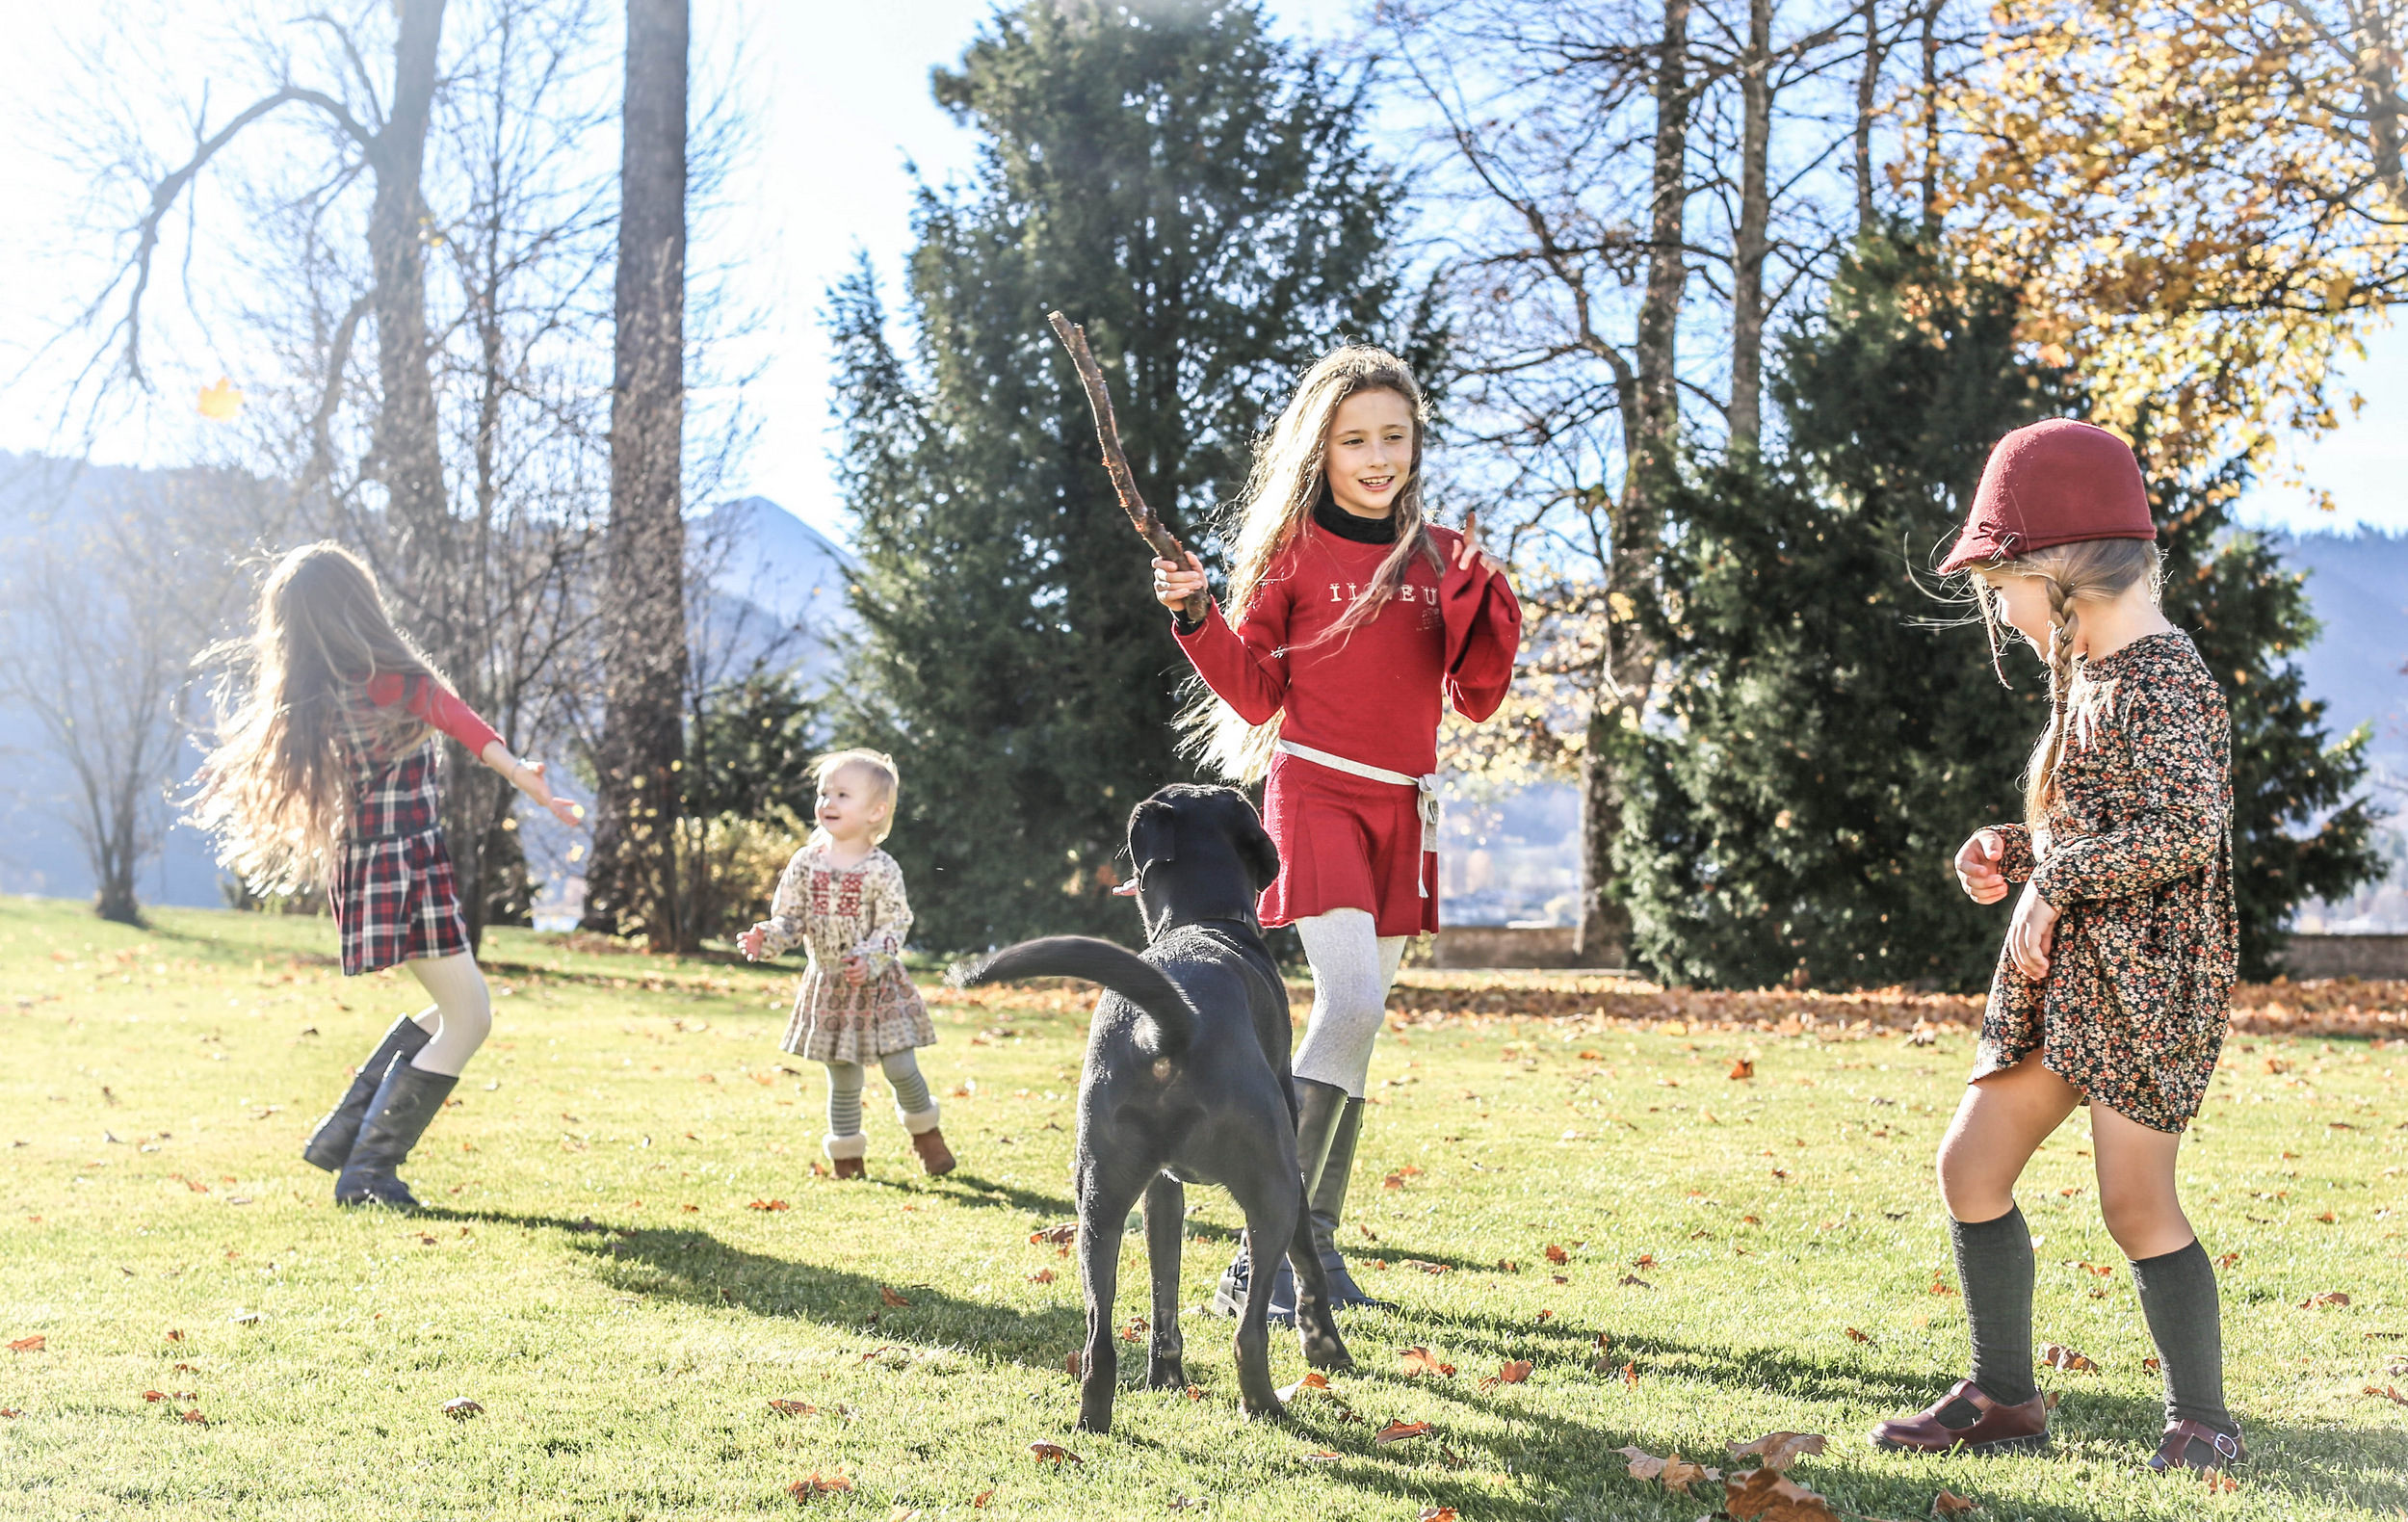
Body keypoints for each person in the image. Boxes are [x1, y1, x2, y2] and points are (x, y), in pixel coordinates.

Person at [1870, 419, 2243, 1475]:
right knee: (1970, 1165)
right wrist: (2015, 847)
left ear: (2059, 572)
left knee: (2135, 1201)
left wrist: (2058, 875)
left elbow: (2181, 832)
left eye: (2002, 585)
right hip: (2062, 977)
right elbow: (2104, 823)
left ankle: (2203, 1418)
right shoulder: (2087, 676)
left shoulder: (2165, 674)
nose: (1998, 606)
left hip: (2144, 984)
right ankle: (2003, 1393)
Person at [1153, 345, 1521, 1321]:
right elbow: (1259, 691)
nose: (1376, 455)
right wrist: (1195, 614)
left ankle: (1309, 1250)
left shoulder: (1442, 555)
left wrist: (1487, 596)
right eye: (1354, 438)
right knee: (1348, 1000)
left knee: (1358, 1034)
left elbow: (1478, 694)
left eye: (1393, 436)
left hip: (1406, 804)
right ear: (1319, 448)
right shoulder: (1287, 554)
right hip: (1313, 792)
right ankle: (1258, 1252)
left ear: (1415, 442)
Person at [189, 543, 584, 1208]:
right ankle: (368, 1170)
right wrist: (527, 780)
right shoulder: (392, 681)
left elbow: (454, 723)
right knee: (470, 1018)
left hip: (373, 867)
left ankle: (347, 1137)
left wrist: (527, 781)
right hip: (409, 866)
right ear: (360, 604)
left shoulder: (312, 696)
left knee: (465, 1008)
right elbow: (462, 723)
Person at [739, 749, 953, 1180]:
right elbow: (791, 919)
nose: (827, 803)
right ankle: (847, 1159)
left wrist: (872, 957)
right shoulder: (806, 863)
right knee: (843, 1076)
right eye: (823, 793)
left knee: (900, 1066)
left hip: (877, 985)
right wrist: (768, 938)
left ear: (876, 811)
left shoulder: (881, 868)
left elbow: (896, 922)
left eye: (841, 794)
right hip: (830, 985)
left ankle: (926, 1135)